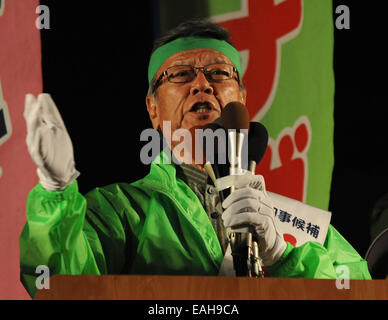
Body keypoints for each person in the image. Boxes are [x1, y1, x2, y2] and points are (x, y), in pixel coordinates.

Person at [20, 18, 371, 298]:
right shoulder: (123, 211)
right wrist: (57, 192)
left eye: (218, 73)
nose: (202, 85)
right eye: (180, 74)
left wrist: (281, 256)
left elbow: (357, 287)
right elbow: (57, 285)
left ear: (242, 98)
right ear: (153, 109)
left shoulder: (289, 224)